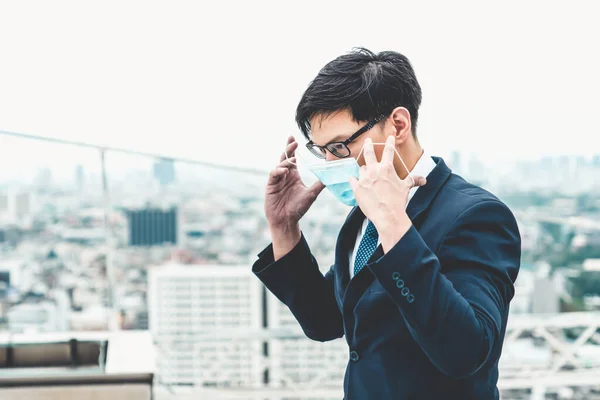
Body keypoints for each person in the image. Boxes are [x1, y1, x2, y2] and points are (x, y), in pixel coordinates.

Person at [252, 47, 521, 399]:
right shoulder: (364, 216)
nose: (331, 163)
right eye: (321, 151)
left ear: (398, 124)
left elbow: (467, 352)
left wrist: (395, 226)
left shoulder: (475, 215)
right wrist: (284, 228)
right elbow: (325, 321)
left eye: (339, 146)